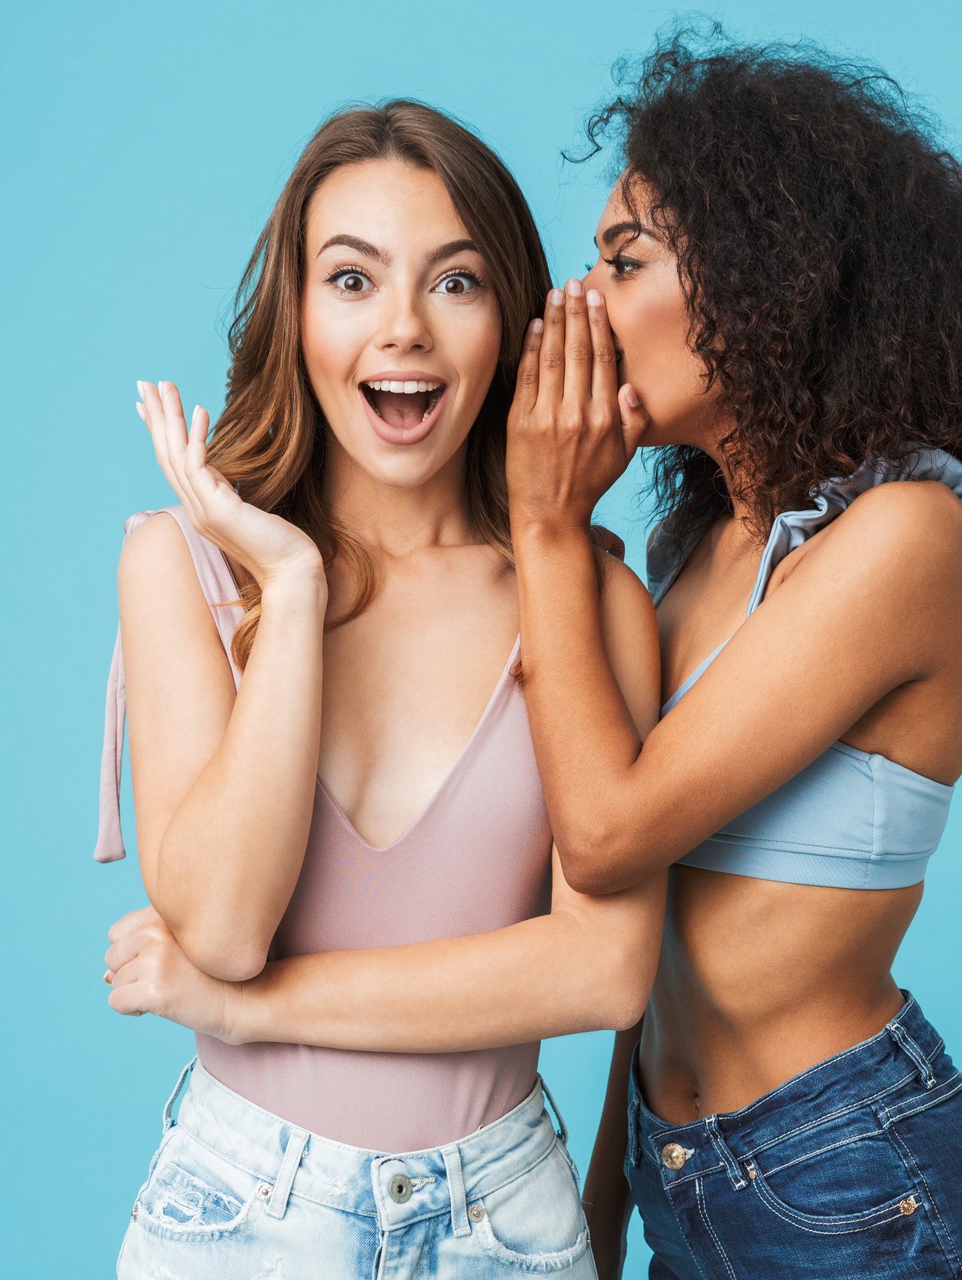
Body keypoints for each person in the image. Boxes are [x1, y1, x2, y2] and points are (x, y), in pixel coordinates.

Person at [504, 30, 962, 1279]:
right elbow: (640, 945)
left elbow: (605, 832)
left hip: (864, 1184)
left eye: (625, 257)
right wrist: (598, 1219)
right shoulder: (688, 549)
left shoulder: (907, 540)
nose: (583, 302)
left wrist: (545, 525)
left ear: (769, 278)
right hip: (685, 1184)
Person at [91, 100, 664, 1279]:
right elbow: (224, 924)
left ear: (510, 317)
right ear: (296, 314)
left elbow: (599, 970)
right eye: (351, 281)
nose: (402, 329)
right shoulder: (185, 566)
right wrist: (291, 591)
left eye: (454, 283)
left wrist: (252, 1009)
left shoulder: (589, 601)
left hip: (505, 1219)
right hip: (240, 1212)